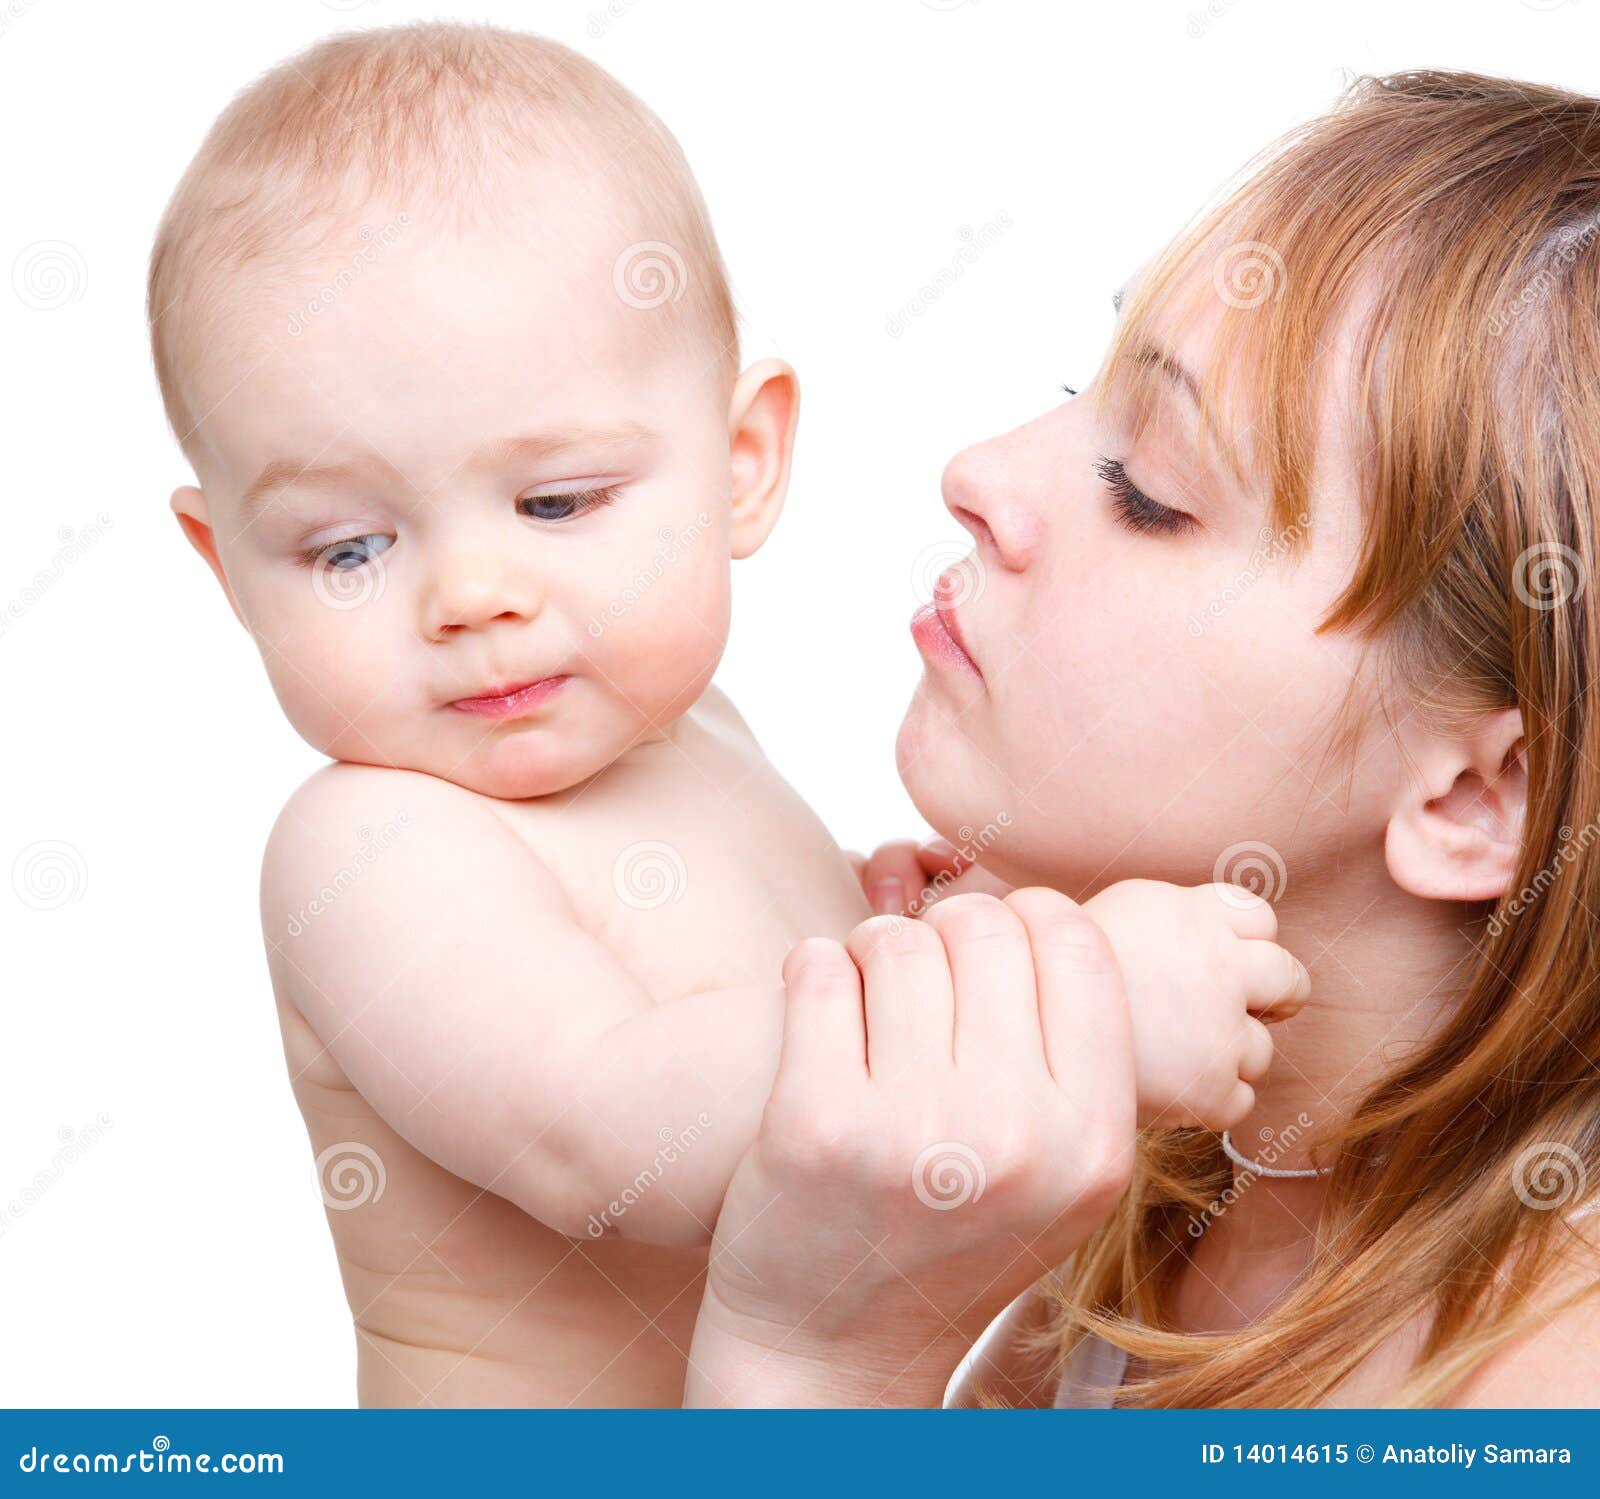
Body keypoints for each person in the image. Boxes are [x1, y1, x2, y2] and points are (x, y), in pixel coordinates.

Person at [148, 22, 1304, 1406]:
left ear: (743, 463)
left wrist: (915, 934)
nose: (469, 595)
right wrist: (1079, 1000)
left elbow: (777, 1032)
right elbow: (611, 1135)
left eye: (556, 503)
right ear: (227, 571)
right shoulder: (369, 846)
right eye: (347, 548)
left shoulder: (711, 743)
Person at [687, 69, 1600, 1408]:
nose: (982, 472)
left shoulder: (1536, 1391)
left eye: (1149, 490)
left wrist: (821, 1355)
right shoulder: (1174, 1202)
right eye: (1080, 386)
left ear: (1474, 797)